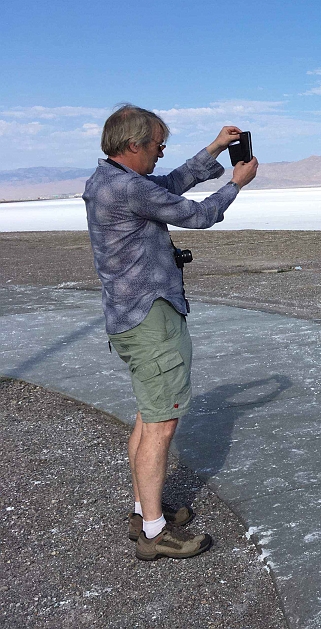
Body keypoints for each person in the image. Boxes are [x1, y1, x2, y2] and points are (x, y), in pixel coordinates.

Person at [83, 104, 258, 561]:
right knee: (161, 424)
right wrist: (234, 185)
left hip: (130, 316)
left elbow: (170, 184)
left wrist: (216, 148)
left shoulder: (110, 180)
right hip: (151, 319)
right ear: (134, 144)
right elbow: (196, 215)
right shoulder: (125, 187)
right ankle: (154, 533)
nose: (162, 154)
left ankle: (145, 511)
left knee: (148, 415)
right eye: (159, 146)